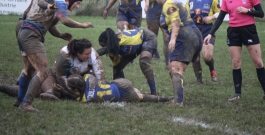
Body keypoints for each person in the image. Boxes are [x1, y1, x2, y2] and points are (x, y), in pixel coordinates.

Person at [16, 0, 93, 111]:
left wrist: (61, 35)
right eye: (78, 3)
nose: (78, 6)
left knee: (28, 70)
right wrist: (82, 25)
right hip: (31, 34)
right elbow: (61, 17)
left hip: (25, 31)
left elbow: (50, 25)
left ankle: (20, 100)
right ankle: (26, 103)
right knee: (44, 71)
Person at [203, 0, 265, 103]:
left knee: (258, 62)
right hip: (233, 31)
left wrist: (248, 10)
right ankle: (237, 94)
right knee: (236, 63)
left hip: (249, 30)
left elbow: (261, 13)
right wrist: (210, 34)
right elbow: (220, 18)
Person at [4, 38, 105, 104]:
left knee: (42, 92)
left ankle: (50, 93)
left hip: (75, 80)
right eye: (86, 54)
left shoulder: (93, 54)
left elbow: (100, 74)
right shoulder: (65, 55)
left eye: (90, 52)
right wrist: (67, 91)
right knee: (49, 89)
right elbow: (60, 76)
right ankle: (49, 92)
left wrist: (101, 88)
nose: (89, 55)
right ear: (78, 53)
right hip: (55, 76)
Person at [151, 0, 203, 105]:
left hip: (184, 36)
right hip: (194, 33)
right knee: (171, 66)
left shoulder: (168, 4)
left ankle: (178, 102)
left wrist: (173, 38)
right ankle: (177, 96)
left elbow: (175, 22)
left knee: (175, 68)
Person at [1, 74, 173, 103]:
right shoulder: (89, 79)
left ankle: (163, 99)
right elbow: (85, 77)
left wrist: (62, 91)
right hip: (120, 83)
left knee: (142, 99)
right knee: (141, 95)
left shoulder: (85, 99)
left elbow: (73, 95)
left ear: (76, 90)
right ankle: (164, 97)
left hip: (124, 94)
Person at [97, 27, 158, 95]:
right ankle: (123, 91)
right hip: (133, 47)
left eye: (105, 46)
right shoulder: (113, 50)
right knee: (117, 67)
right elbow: (116, 68)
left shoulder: (123, 39)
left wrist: (94, 54)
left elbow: (103, 50)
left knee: (144, 63)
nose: (105, 48)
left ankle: (154, 93)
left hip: (147, 38)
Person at [185, 0, 220, 83]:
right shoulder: (190, 0)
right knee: (195, 56)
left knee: (207, 57)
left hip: (207, 30)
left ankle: (212, 70)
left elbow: (220, 12)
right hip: (194, 31)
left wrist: (211, 17)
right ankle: (199, 80)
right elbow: (185, 16)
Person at [140, 0, 172, 68]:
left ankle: (168, 61)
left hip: (165, 14)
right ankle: (147, 59)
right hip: (152, 14)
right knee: (152, 38)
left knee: (167, 38)